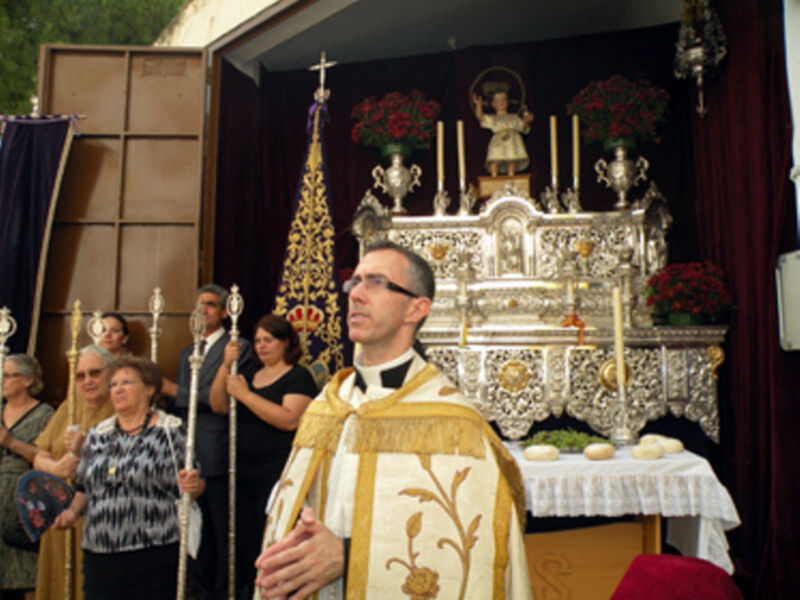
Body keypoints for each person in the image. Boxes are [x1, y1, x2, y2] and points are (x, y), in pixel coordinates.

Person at [254, 240, 531, 599]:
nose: (356, 295)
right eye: (354, 283)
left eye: (376, 282)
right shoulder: (329, 404)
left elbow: (472, 553)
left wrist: (350, 555)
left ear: (416, 308)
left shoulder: (455, 423)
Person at [53, 356, 204, 600]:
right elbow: (83, 488)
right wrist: (70, 512)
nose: (118, 389)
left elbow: (195, 485)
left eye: (127, 383)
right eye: (113, 384)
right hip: (99, 552)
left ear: (149, 388)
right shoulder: (97, 435)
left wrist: (193, 486)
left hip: (153, 552)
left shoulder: (171, 431)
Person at [209, 314, 316, 599]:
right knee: (246, 548)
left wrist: (244, 395)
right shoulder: (248, 374)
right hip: (241, 475)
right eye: (257, 341)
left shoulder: (298, 376)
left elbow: (289, 420)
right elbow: (218, 404)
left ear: (285, 343)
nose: (261, 346)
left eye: (268, 340)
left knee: (275, 546)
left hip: (276, 476)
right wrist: (225, 365)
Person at [161, 283, 253, 600]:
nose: (203, 311)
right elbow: (181, 406)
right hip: (187, 449)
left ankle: (226, 589)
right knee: (193, 531)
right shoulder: (189, 351)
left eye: (211, 305)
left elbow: (221, 398)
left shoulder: (238, 346)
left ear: (226, 311)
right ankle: (200, 591)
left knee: (219, 529)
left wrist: (175, 390)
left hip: (216, 449)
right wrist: (178, 396)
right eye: (199, 305)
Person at [32, 345, 117, 600]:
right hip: (60, 513)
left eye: (95, 373)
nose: (87, 381)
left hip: (99, 516)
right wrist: (55, 467)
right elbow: (39, 455)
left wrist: (86, 451)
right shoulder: (70, 406)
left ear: (111, 373)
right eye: (80, 375)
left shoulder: (121, 407)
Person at [0, 355, 54, 600]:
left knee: (22, 574)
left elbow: (48, 455)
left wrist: (11, 442)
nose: (3, 380)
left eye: (9, 375)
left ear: (28, 380)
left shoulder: (44, 414)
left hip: (21, 495)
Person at [472, 89, 534, 177]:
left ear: (507, 102)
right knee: (495, 161)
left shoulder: (514, 117)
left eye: (503, 99)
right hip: (498, 141)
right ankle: (494, 179)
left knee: (511, 160)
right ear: (493, 104)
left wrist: (527, 121)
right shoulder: (492, 118)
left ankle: (511, 179)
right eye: (497, 100)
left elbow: (522, 127)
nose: (501, 102)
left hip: (512, 141)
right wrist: (478, 105)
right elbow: (481, 117)